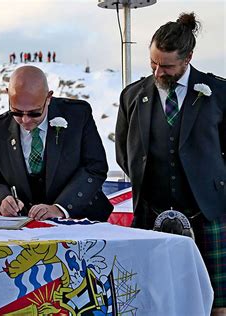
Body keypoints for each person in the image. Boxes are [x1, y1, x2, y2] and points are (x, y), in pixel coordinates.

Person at [115, 12, 225, 313]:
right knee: (155, 299)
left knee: (217, 303)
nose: (158, 72)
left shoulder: (219, 93)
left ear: (188, 58)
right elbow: (125, 152)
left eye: (166, 66)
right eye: (153, 63)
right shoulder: (133, 95)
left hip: (208, 213)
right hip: (151, 214)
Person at [0, 65, 113, 221]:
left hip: (81, 220)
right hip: (26, 226)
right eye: (16, 112)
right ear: (8, 96)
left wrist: (60, 208)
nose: (25, 120)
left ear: (48, 98)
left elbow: (95, 167)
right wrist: (3, 199)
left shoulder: (78, 116)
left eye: (34, 113)